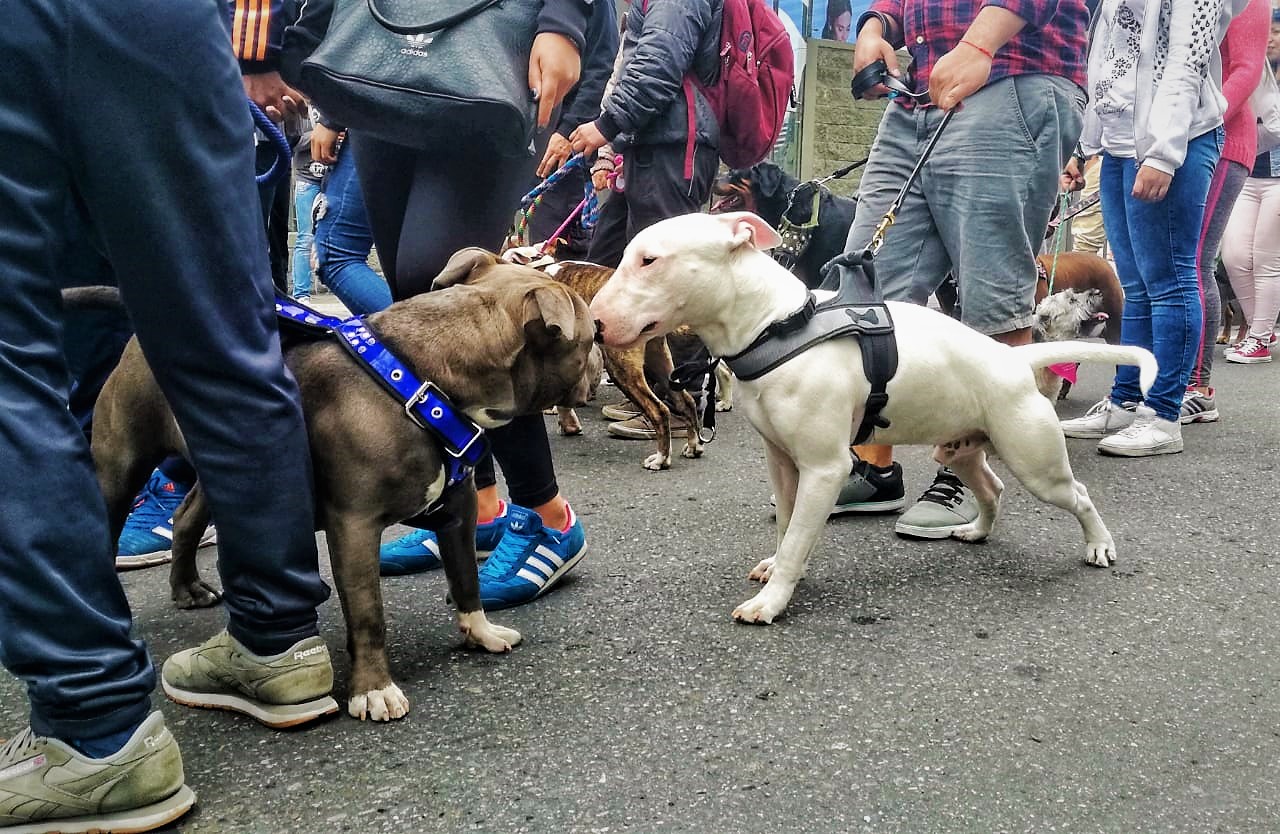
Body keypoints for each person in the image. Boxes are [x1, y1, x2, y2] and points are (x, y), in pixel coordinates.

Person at [0, 0, 337, 831]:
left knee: (10, 363)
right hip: (166, 20)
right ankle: (279, 640)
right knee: (228, 335)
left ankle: (93, 728)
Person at [302, 0, 596, 610]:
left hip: (491, 60)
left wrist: (563, 21)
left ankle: (550, 516)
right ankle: (476, 506)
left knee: (449, 298)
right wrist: (330, 97)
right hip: (387, 62)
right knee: (412, 292)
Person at [821, 0, 1088, 536]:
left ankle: (969, 474)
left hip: (1012, 77)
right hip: (920, 92)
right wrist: (876, 26)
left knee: (992, 294)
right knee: (870, 285)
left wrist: (979, 43)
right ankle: (874, 467)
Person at [1060, 0, 1234, 456]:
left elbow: (1187, 63)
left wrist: (1163, 153)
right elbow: (1103, 57)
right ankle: (1124, 400)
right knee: (1135, 285)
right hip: (1118, 145)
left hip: (1175, 138)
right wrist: (1084, 145)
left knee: (1171, 281)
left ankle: (1164, 414)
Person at [569, 0, 725, 439]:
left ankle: (680, 402)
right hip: (649, 141)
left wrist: (606, 125)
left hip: (676, 144)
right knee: (615, 265)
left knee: (669, 277)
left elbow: (658, 64)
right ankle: (649, 391)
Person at [1180, 0, 1270, 417]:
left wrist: (1192, 122)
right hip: (1169, 137)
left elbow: (1246, 70)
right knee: (1169, 267)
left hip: (1219, 138)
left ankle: (1197, 388)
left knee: (1194, 263)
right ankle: (1154, 383)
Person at [310, 118, 394, 315]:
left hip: (383, 110)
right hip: (464, 109)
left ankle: (428, 339)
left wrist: (332, 116)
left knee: (336, 255)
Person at [1220, 136, 1280, 365]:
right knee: (1234, 256)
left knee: (1267, 259)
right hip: (1245, 172)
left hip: (1277, 177)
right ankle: (1261, 327)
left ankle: (1259, 339)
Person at [290, 108, 329, 302]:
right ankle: (301, 295)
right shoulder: (297, 105)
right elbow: (293, 141)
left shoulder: (333, 100)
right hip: (307, 177)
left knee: (338, 237)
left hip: (334, 176)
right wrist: (321, 134)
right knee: (305, 238)